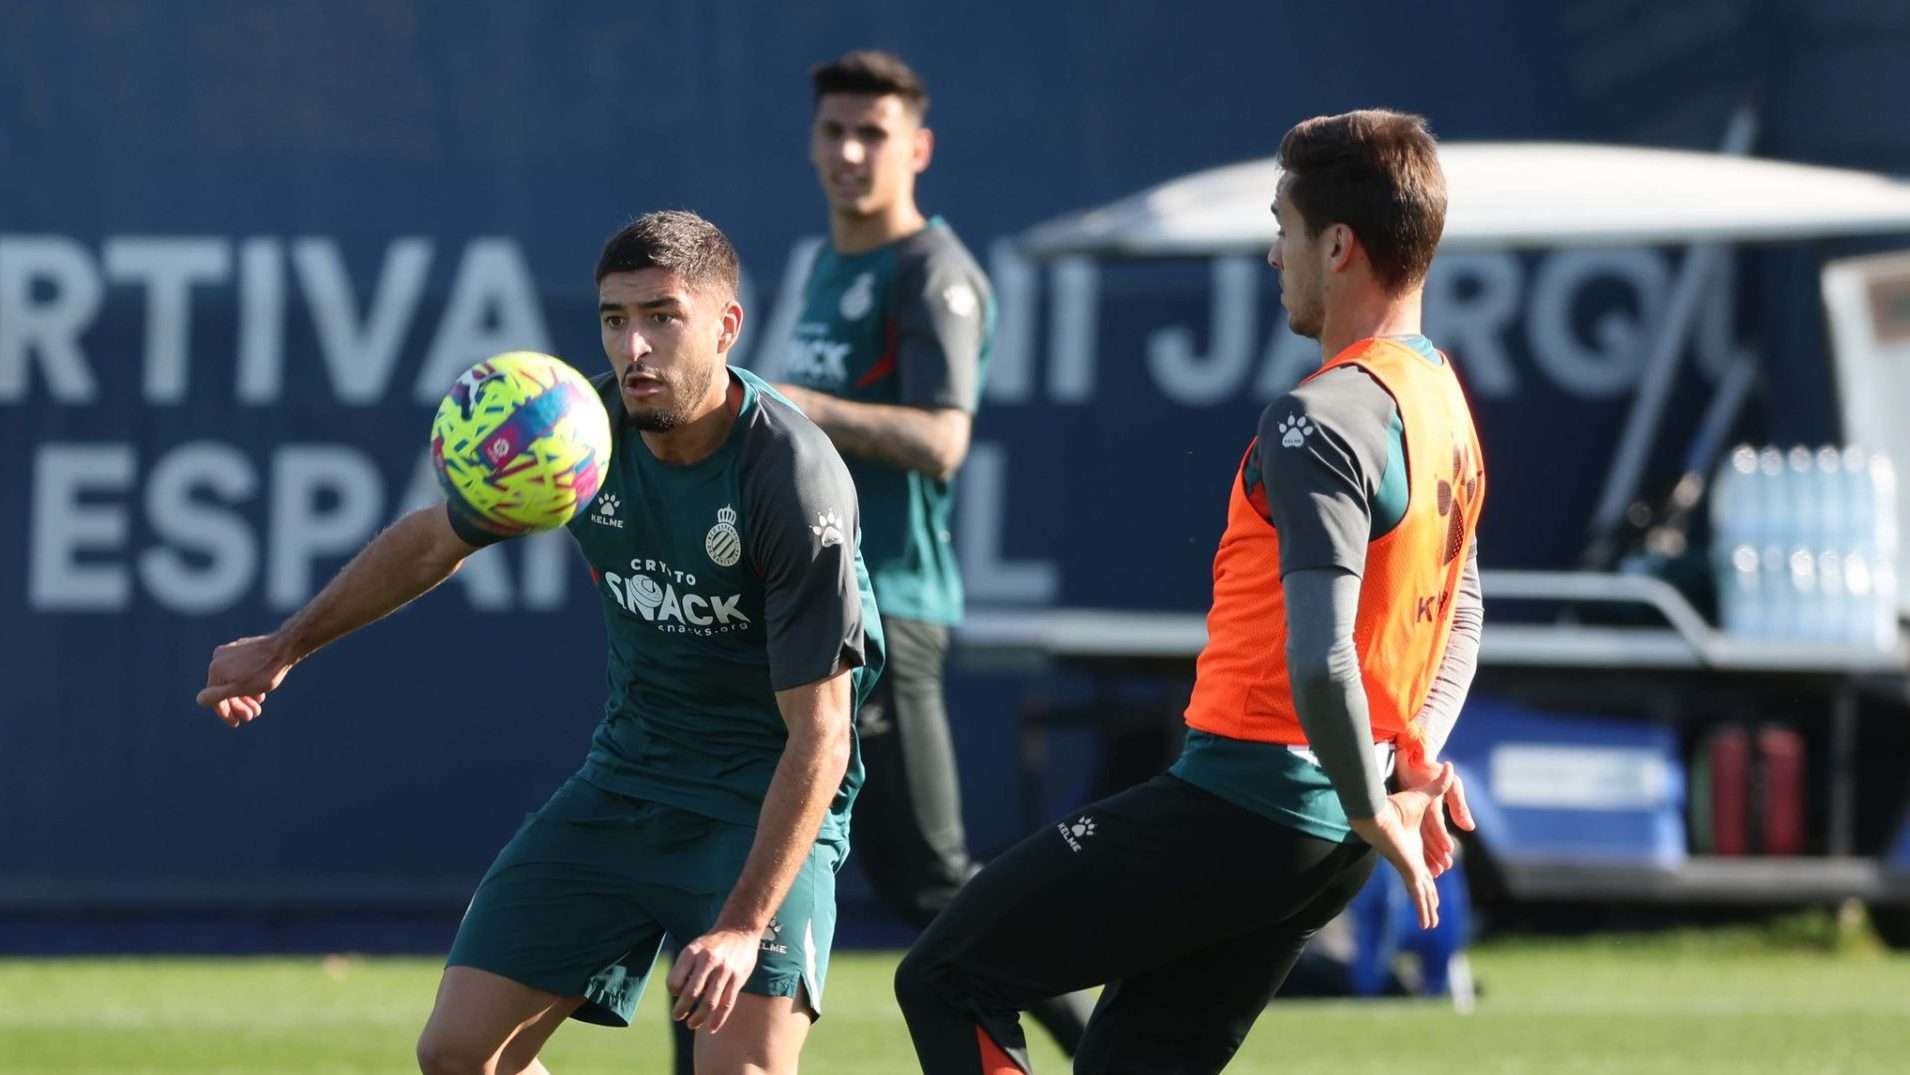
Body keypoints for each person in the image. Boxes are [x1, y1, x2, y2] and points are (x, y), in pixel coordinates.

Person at [196, 210, 883, 1075]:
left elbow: (822, 733)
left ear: (726, 325)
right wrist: (285, 644)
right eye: (613, 318)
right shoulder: (577, 435)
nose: (634, 346)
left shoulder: (789, 475)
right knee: (457, 1054)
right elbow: (435, 538)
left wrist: (745, 925)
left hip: (761, 800)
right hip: (629, 781)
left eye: (662, 316)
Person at [892, 109, 1487, 1074]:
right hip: (1327, 829)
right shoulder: (1441, 397)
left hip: (1252, 808)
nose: (1271, 252)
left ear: (1338, 247)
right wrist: (1403, 768)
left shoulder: (1323, 412)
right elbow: (1464, 609)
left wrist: (1374, 795)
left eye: (1283, 226)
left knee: (945, 975)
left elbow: (1324, 652)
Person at [767, 49, 1091, 1054]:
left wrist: (792, 407)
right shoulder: (827, 261)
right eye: (833, 131)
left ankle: (1108, 1047)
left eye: (872, 133)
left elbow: (941, 437)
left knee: (933, 881)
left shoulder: (930, 271)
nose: (849, 152)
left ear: (918, 147)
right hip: (802, 605)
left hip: (885, 608)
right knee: (742, 869)